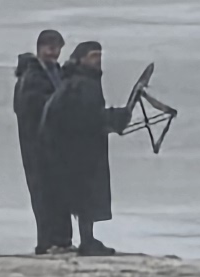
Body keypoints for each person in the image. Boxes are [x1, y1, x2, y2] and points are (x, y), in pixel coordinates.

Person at [40, 39, 132, 256]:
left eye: (100, 56)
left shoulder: (80, 80)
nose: (98, 60)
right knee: (85, 196)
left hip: (79, 147)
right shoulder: (82, 83)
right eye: (93, 56)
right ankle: (87, 241)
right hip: (79, 150)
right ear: (81, 59)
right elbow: (85, 116)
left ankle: (87, 239)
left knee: (85, 196)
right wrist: (113, 118)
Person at [10, 27, 70, 255]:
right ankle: (47, 242)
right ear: (40, 49)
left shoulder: (57, 72)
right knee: (44, 194)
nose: (54, 53)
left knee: (60, 192)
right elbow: (27, 109)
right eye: (50, 48)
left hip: (57, 144)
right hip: (36, 144)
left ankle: (62, 240)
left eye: (57, 49)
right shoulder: (30, 77)